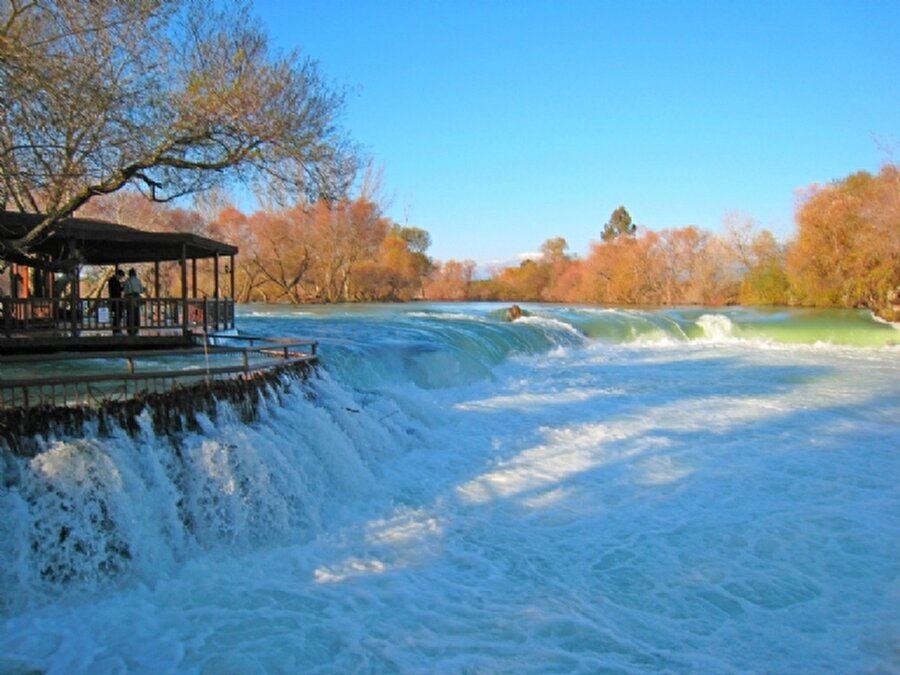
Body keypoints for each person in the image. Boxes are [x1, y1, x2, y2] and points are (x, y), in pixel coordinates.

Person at [123, 268, 147, 335]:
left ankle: (130, 329)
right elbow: (141, 290)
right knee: (136, 313)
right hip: (137, 298)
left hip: (129, 298)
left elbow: (125, 291)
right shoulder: (138, 280)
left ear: (129, 274)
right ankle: (136, 329)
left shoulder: (128, 281)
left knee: (129, 314)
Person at [108, 268, 125, 333]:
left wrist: (122, 286)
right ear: (118, 275)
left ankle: (117, 328)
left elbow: (119, 289)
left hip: (116, 300)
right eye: (120, 276)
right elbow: (116, 290)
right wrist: (122, 286)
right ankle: (116, 328)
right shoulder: (112, 280)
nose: (120, 278)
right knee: (117, 314)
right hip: (115, 300)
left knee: (118, 314)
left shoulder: (114, 281)